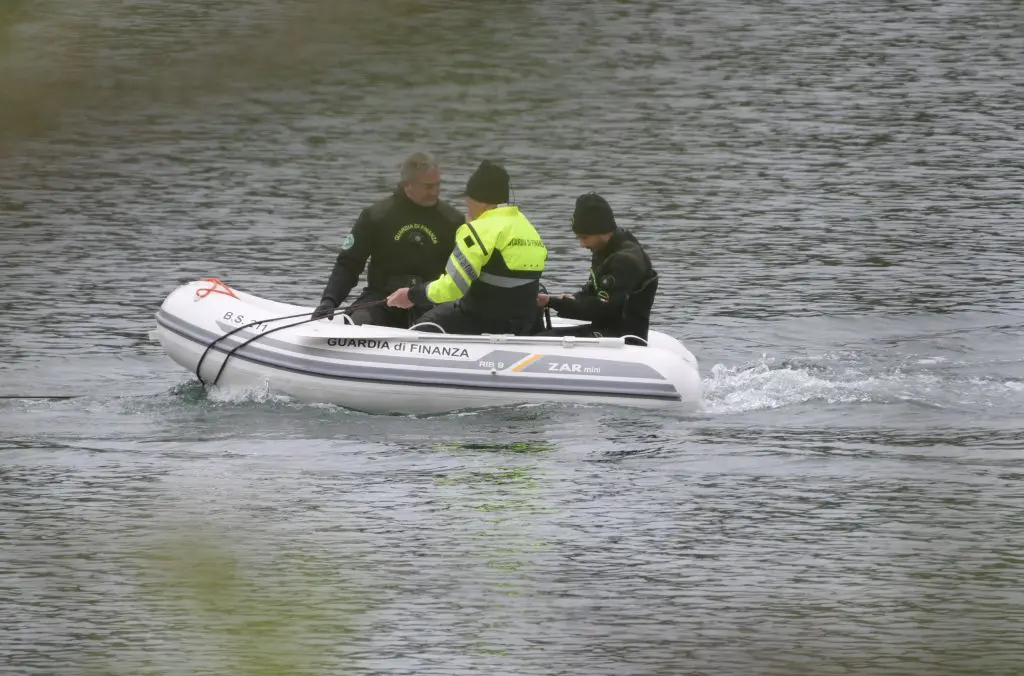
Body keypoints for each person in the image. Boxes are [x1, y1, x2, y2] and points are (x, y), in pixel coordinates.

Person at [386, 160, 547, 335]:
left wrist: (413, 295)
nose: (466, 205)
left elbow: (453, 288)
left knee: (425, 325)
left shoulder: (477, 230)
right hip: (524, 322)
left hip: (483, 321)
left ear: (481, 202)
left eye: (468, 201)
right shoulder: (526, 226)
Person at [310, 152, 465, 326]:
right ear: (407, 184)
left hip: (428, 302)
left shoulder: (453, 221)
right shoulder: (376, 216)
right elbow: (349, 264)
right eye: (428, 187)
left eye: (438, 185)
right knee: (360, 321)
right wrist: (330, 300)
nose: (435, 192)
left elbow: (463, 273)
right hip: (382, 300)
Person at [537, 192, 658, 342]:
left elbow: (603, 309)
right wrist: (560, 299)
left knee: (543, 339)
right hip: (605, 328)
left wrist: (553, 303)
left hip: (623, 337)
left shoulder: (624, 261)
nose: (582, 245)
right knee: (540, 333)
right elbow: (591, 293)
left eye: (584, 237)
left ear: (600, 229)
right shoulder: (606, 249)